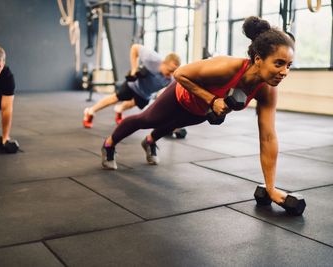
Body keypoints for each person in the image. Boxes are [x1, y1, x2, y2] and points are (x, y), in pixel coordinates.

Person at [100, 16, 295, 205]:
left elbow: (268, 137)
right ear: (259, 59)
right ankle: (109, 145)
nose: (285, 71)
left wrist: (271, 187)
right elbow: (180, 73)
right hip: (179, 96)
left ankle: (150, 141)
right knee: (148, 119)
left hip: (199, 111)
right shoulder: (227, 67)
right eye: (278, 63)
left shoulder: (267, 91)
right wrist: (212, 100)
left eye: (289, 65)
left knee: (174, 124)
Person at [82, 44, 181, 128]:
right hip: (134, 84)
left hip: (146, 94)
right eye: (170, 70)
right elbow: (134, 47)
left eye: (174, 71)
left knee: (132, 104)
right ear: (164, 63)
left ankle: (119, 109)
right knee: (115, 98)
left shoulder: (173, 78)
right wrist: (134, 69)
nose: (171, 74)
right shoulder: (152, 58)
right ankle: (90, 111)